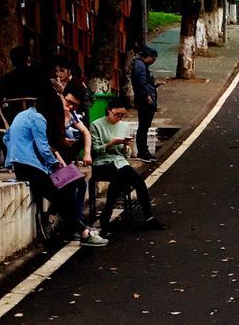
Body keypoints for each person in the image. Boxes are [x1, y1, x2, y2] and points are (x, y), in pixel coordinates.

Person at [4, 87, 106, 245]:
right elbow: (44, 148)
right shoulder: (38, 118)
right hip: (31, 167)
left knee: (69, 187)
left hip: (22, 165)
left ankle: (61, 222)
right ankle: (83, 232)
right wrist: (55, 164)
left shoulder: (23, 115)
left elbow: (7, 137)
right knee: (61, 196)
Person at [90, 97, 163, 234]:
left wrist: (125, 146)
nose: (119, 118)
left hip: (119, 161)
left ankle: (149, 216)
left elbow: (125, 155)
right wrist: (110, 144)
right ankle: (107, 213)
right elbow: (95, 150)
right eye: (117, 114)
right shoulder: (96, 125)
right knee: (119, 176)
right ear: (109, 111)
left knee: (138, 180)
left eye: (122, 115)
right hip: (103, 162)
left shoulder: (124, 126)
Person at [130, 45, 159, 160]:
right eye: (153, 59)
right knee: (143, 127)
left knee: (145, 127)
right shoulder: (140, 66)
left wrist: (154, 85)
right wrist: (147, 96)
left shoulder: (142, 66)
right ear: (148, 57)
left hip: (147, 99)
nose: (153, 62)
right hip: (145, 101)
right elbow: (141, 83)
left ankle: (144, 151)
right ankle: (142, 152)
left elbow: (145, 82)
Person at [60, 80, 93, 167]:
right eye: (69, 102)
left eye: (75, 105)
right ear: (63, 97)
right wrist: (66, 119)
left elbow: (86, 132)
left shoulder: (72, 113)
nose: (71, 107)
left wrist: (87, 154)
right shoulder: (54, 110)